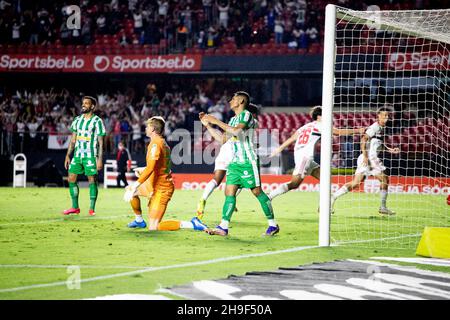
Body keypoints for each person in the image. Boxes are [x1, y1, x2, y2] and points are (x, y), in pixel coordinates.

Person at [200, 92, 279, 236]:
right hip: (235, 162)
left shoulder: (247, 115)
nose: (230, 101)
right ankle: (223, 227)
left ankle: (273, 225)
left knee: (257, 192)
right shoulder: (232, 120)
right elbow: (223, 139)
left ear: (241, 101)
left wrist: (216, 121)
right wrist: (208, 126)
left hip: (248, 161)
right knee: (229, 192)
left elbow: (237, 132)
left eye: (233, 99)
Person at [124, 116, 207, 232]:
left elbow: (151, 168)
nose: (145, 128)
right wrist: (143, 169)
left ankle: (192, 224)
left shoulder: (156, 144)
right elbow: (161, 165)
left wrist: (136, 184)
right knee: (130, 191)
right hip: (154, 183)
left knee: (154, 227)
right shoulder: (161, 142)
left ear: (152, 129)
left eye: (147, 126)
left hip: (162, 188)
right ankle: (139, 220)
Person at [268, 106, 365, 204]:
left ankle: (324, 206)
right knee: (294, 183)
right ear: (319, 116)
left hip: (304, 157)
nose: (329, 117)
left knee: (325, 180)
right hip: (304, 158)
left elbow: (292, 138)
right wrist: (358, 130)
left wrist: (279, 149)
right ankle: (270, 195)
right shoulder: (321, 125)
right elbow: (338, 132)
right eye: (326, 115)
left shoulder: (306, 126)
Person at [331, 106, 400, 215]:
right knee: (385, 179)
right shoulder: (375, 127)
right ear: (378, 116)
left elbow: (377, 143)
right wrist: (366, 156)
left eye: (387, 116)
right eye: (384, 116)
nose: (386, 118)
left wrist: (389, 149)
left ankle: (333, 197)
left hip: (365, 158)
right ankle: (382, 207)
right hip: (370, 157)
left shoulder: (381, 129)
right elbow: (363, 139)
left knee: (356, 183)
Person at [196, 103, 260, 219]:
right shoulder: (252, 121)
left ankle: (203, 199)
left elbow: (221, 139)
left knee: (216, 180)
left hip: (224, 151)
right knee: (240, 182)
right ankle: (232, 201)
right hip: (236, 153)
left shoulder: (232, 121)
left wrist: (208, 126)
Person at [63, 96, 105, 216]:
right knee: (71, 178)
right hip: (77, 155)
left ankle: (92, 208)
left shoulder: (97, 121)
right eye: (83, 103)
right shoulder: (77, 120)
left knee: (92, 180)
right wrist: (67, 155)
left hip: (90, 156)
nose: (84, 105)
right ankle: (75, 207)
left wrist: (100, 159)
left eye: (86, 103)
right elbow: (73, 140)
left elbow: (101, 142)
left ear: (92, 106)